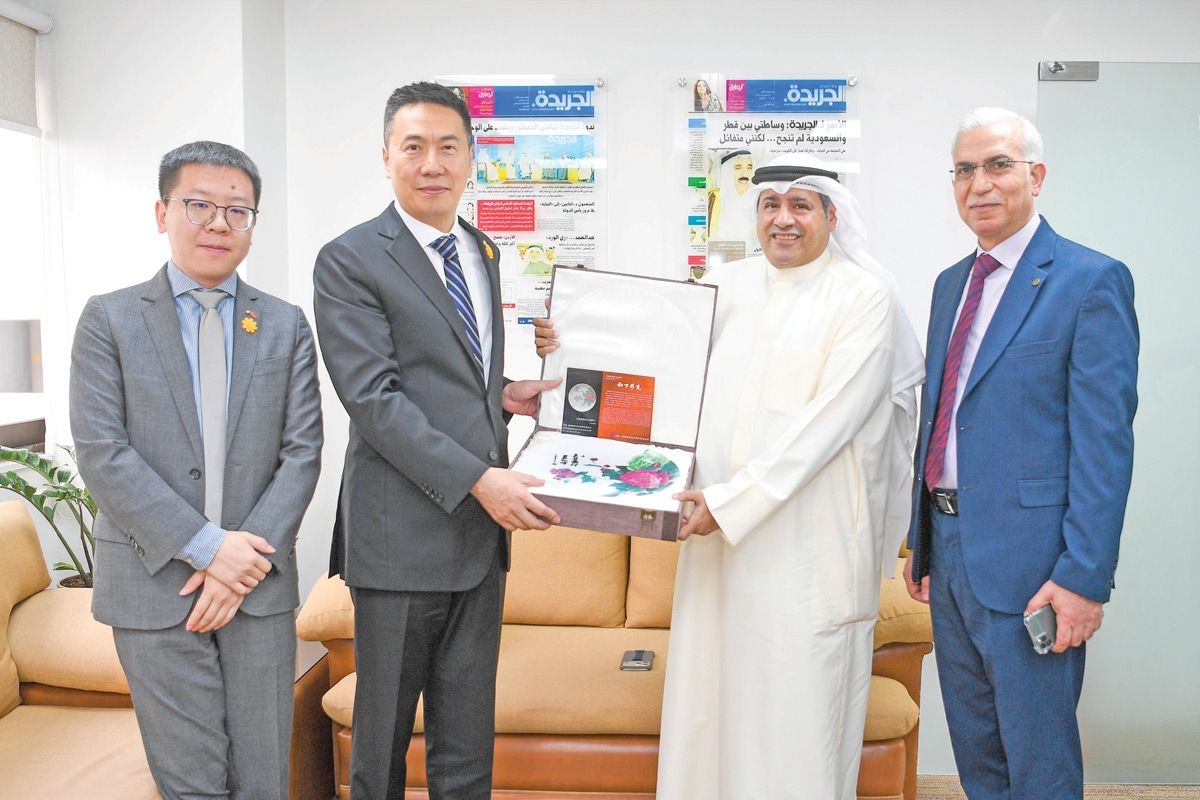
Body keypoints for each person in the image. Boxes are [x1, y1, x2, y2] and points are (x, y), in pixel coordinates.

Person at [536, 154, 925, 799]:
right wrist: (569, 339)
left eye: (800, 205)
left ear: (832, 215)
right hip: (718, 539)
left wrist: (728, 503)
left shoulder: (864, 297)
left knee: (796, 709)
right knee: (711, 702)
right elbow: (657, 364)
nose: (783, 219)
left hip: (808, 546)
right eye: (770, 205)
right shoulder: (727, 285)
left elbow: (826, 426)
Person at [313, 81, 561, 800]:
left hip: (477, 542)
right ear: (386, 156)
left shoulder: (481, 248)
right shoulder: (351, 258)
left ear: (471, 158)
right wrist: (482, 480)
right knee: (382, 746)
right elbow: (375, 399)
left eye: (448, 147)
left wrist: (505, 395)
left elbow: (450, 374)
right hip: (400, 540)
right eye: (414, 146)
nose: (432, 163)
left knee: (466, 742)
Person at [69, 141, 323, 800]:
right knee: (192, 784)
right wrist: (209, 549)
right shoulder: (109, 319)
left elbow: (302, 452)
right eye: (199, 205)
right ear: (163, 213)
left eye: (237, 210)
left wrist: (242, 564)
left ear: (252, 224)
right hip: (154, 588)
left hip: (257, 590)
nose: (218, 223)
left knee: (264, 780)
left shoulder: (285, 324)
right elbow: (102, 451)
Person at [904, 108, 1138, 799]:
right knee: (978, 752)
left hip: (1034, 564)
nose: (979, 183)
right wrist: (924, 542)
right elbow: (944, 416)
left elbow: (1104, 444)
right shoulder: (951, 283)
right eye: (964, 170)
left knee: (1038, 759)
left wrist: (1084, 578)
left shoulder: (1089, 280)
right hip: (948, 552)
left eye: (998, 165)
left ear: (1036, 176)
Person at [707, 149, 756, 246]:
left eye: (749, 168)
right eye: (738, 168)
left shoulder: (758, 203)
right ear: (727, 172)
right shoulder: (713, 200)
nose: (745, 174)